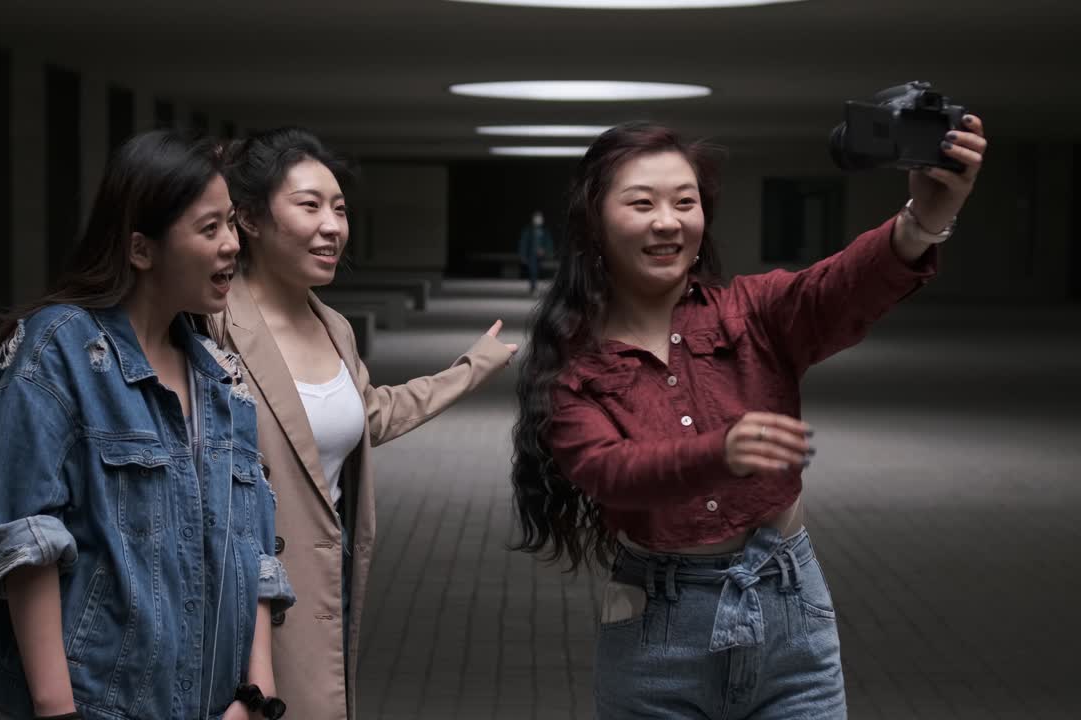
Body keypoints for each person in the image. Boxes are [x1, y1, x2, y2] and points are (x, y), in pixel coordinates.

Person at [510, 118, 986, 719]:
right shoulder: (573, 363)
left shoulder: (754, 312)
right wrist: (718, 453)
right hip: (656, 634)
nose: (668, 221)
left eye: (685, 202)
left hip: (790, 615)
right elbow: (608, 471)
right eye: (642, 203)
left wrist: (924, 219)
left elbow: (843, 284)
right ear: (594, 222)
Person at [0, 130, 295, 720]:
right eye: (209, 228)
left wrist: (255, 701)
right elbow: (26, 546)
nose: (232, 245)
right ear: (141, 249)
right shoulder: (59, 351)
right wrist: (58, 711)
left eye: (232, 224)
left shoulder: (221, 376)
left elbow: (255, 552)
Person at [210, 127, 517, 720]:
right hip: (240, 594)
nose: (333, 226)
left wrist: (469, 371)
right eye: (310, 206)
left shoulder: (334, 327)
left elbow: (368, 415)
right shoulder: (213, 326)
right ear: (248, 219)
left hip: (329, 577)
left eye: (340, 209)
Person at [518, 210, 554, 293]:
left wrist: (546, 251)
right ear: (533, 219)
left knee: (539, 270)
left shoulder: (545, 231)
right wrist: (523, 255)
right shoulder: (528, 230)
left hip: (542, 255)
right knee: (533, 270)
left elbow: (549, 243)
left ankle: (539, 287)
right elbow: (523, 243)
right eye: (537, 218)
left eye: (540, 218)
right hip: (532, 255)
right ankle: (533, 287)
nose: (538, 220)